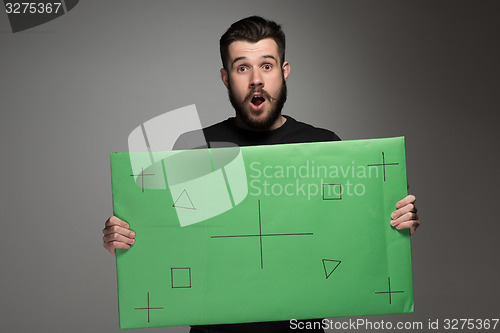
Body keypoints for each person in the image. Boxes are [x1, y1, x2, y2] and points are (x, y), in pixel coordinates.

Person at [103, 16, 420, 333]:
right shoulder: (194, 149)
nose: (256, 79)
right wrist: (127, 236)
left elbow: (356, 238)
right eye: (242, 68)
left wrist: (394, 222)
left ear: (284, 72)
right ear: (226, 78)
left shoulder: (322, 146)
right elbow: (171, 243)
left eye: (266, 66)